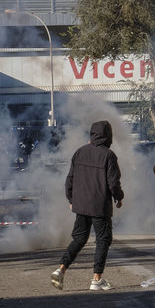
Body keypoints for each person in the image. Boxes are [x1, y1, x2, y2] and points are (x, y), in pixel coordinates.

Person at [52, 120, 123, 292]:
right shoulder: (109, 155)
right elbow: (113, 183)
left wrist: (71, 199)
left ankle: (61, 269)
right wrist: (119, 197)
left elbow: (70, 179)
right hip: (99, 206)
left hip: (81, 204)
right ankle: (96, 279)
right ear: (108, 136)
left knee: (79, 239)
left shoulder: (79, 152)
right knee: (103, 240)